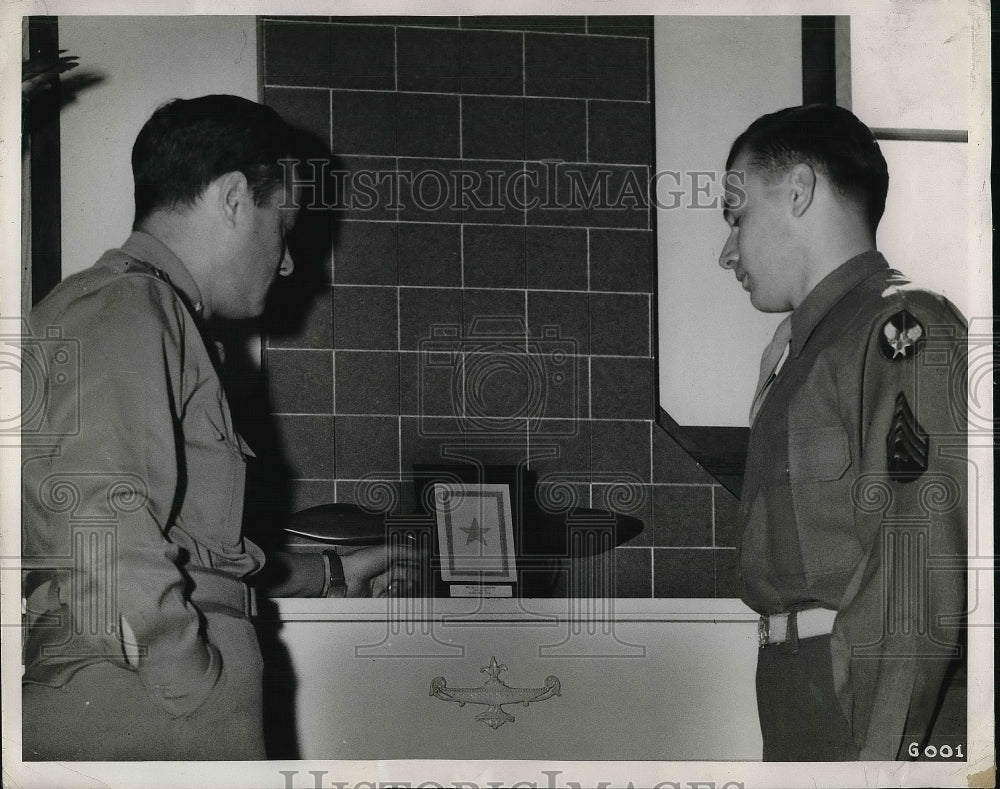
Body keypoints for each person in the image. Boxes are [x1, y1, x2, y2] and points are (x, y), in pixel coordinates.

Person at [20, 95, 413, 760]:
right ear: (234, 197)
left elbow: (193, 557)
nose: (288, 262)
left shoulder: (140, 311)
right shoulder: (129, 304)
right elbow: (104, 516)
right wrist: (191, 684)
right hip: (152, 711)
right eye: (283, 226)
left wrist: (334, 572)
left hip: (146, 698)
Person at [718, 104, 967, 760]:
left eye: (736, 216)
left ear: (798, 189)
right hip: (798, 683)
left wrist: (877, 762)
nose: (727, 251)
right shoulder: (805, 349)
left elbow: (914, 574)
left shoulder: (903, 327)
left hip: (861, 691)